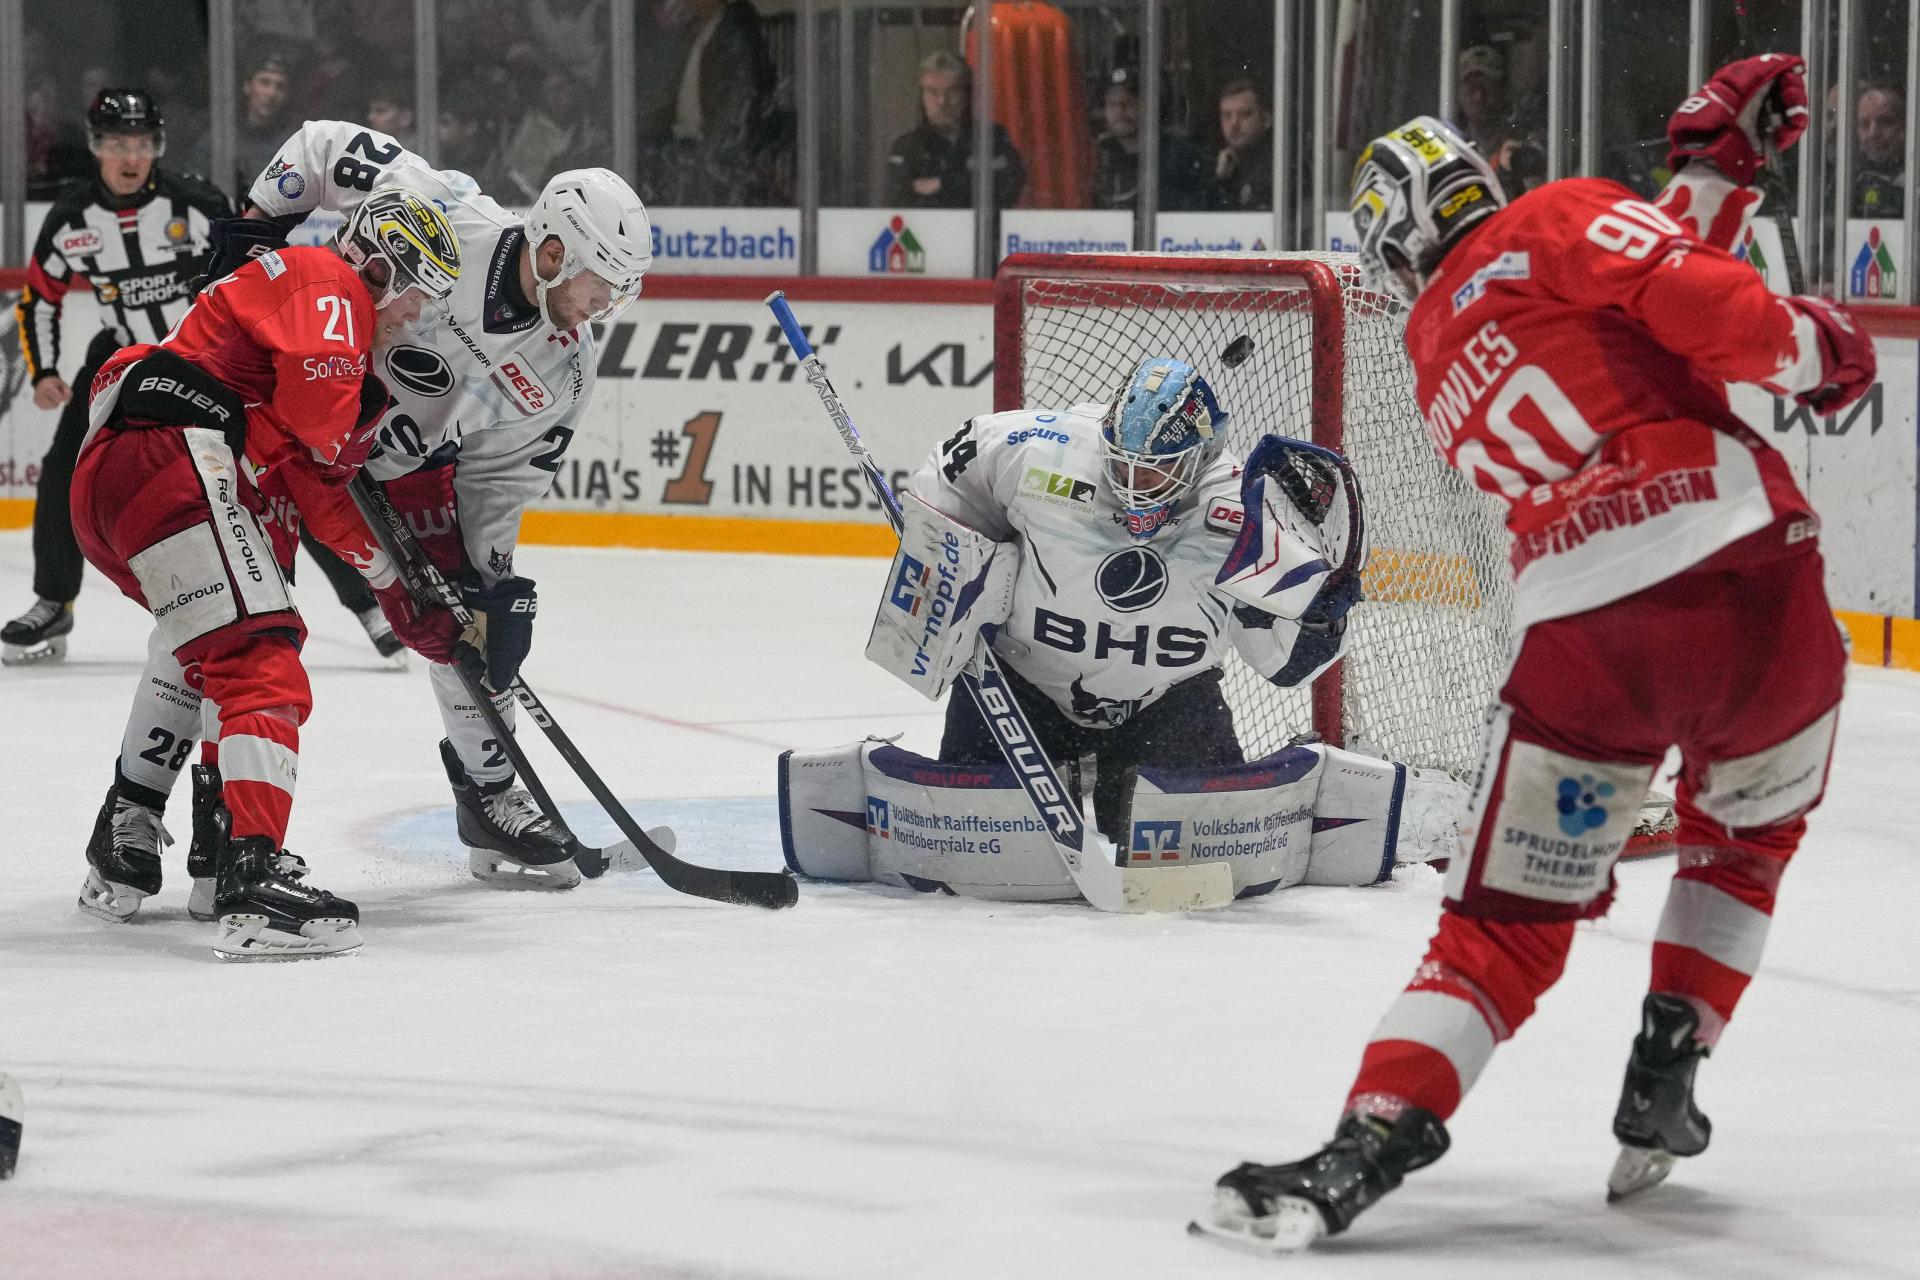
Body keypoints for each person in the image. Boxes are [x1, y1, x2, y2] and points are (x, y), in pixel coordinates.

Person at [1193, 54, 1875, 1252]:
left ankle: (1372, 1137)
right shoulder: (1551, 214)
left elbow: (1629, 302)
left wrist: (1713, 179)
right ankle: (1670, 1059)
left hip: (1589, 646)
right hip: (1758, 598)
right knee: (1745, 843)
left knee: (1500, 928)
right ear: (1478, 178)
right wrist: (1816, 351)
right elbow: (1688, 298)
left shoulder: (1430, 348)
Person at [147, 119, 649, 895]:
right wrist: (260, 225)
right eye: (599, 286)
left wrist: (489, 580)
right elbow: (321, 146)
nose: (601, 307)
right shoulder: (448, 207)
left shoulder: (566, 371)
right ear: (555, 253)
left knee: (463, 620)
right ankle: (154, 802)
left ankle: (490, 799)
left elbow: (501, 479)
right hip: (284, 419)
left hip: (398, 468)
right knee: (227, 607)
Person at [70, 185, 467, 960]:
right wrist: (360, 424)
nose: (416, 316)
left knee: (208, 648)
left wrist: (393, 582)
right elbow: (322, 428)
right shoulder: (330, 282)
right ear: (382, 269)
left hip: (129, 475)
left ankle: (136, 842)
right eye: (418, 295)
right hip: (175, 454)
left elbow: (318, 490)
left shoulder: (299, 323)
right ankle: (255, 880)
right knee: (260, 660)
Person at [895, 357, 1361, 843]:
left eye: (1156, 472)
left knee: (1206, 848)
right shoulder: (1035, 449)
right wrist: (949, 558)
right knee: (975, 837)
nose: (1133, 485)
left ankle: (1116, 774)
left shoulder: (1246, 509)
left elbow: (1284, 666)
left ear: (1202, 455)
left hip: (1167, 706)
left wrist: (1320, 617)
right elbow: (945, 483)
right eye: (1122, 464)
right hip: (1020, 690)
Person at [4, 91, 228, 667]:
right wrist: (45, 371)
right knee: (63, 467)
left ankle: (362, 604)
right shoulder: (71, 217)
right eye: (116, 144)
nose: (130, 157)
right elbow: (41, 299)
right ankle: (53, 601)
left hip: (200, 356)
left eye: (142, 144)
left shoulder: (199, 204)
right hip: (121, 360)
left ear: (158, 147)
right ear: (95, 147)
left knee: (271, 458)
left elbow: (249, 277)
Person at [884, 51, 1025, 209]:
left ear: (966, 95)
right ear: (921, 96)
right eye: (932, 92)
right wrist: (967, 181)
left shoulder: (990, 138)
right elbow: (899, 199)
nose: (942, 101)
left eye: (952, 91)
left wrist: (942, 184)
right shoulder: (908, 146)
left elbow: (1008, 183)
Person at [1092, 67, 1211, 212]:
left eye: (1129, 103)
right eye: (1112, 104)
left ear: (1151, 107)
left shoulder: (1178, 157)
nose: (1119, 110)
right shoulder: (1099, 157)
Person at [1213, 80, 1273, 210]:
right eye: (1227, 116)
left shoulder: (1279, 166)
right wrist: (1221, 181)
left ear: (1266, 120)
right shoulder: (1220, 165)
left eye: (1244, 114)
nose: (1234, 123)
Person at [1852, 82, 1906, 218]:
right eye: (1865, 124)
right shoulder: (1844, 178)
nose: (1873, 133)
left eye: (1884, 122)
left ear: (1904, 127)